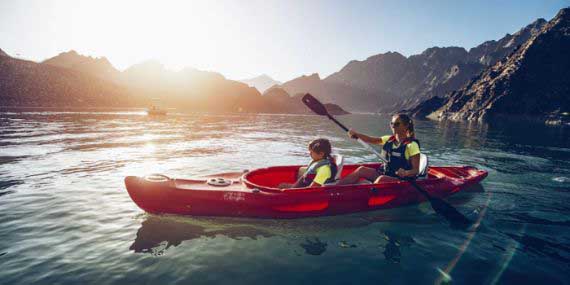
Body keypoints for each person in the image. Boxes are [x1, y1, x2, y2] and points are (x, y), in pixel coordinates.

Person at [337, 113, 421, 185]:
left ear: (405, 126)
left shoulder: (412, 145)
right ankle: (334, 188)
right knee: (362, 170)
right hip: (386, 173)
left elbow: (416, 171)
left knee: (381, 179)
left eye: (397, 124)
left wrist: (405, 173)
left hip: (401, 180)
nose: (393, 126)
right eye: (391, 124)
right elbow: (370, 139)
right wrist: (356, 135)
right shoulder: (388, 139)